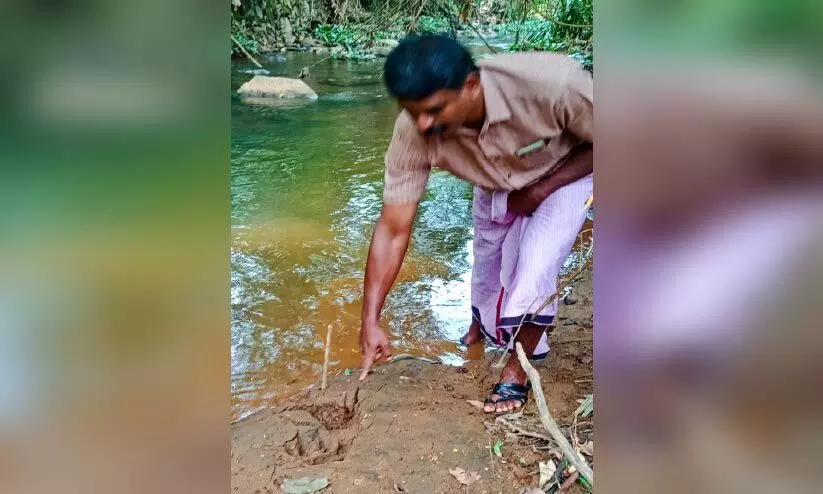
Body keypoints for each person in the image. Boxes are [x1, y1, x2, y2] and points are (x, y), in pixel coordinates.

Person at [358, 34, 593, 414]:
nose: (422, 122)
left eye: (434, 110)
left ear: (470, 87)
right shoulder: (415, 128)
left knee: (536, 264)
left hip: (565, 173)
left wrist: (540, 191)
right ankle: (482, 327)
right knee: (486, 266)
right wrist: (370, 319)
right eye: (411, 110)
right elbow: (393, 228)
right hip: (494, 180)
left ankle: (516, 375)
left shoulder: (554, 86)